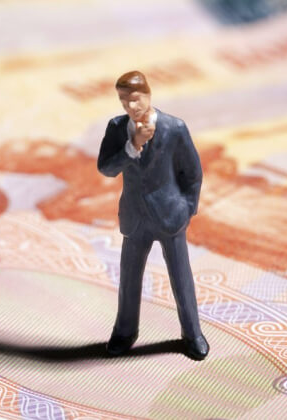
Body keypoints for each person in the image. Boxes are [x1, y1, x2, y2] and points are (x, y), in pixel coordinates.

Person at [97, 70, 209, 360]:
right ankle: (124, 332)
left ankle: (192, 334)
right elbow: (106, 168)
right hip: (135, 218)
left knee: (181, 278)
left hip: (171, 217)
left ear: (147, 94)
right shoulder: (117, 127)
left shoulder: (175, 127)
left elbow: (192, 173)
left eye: (135, 99)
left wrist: (187, 209)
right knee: (129, 279)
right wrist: (132, 146)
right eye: (124, 101)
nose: (130, 106)